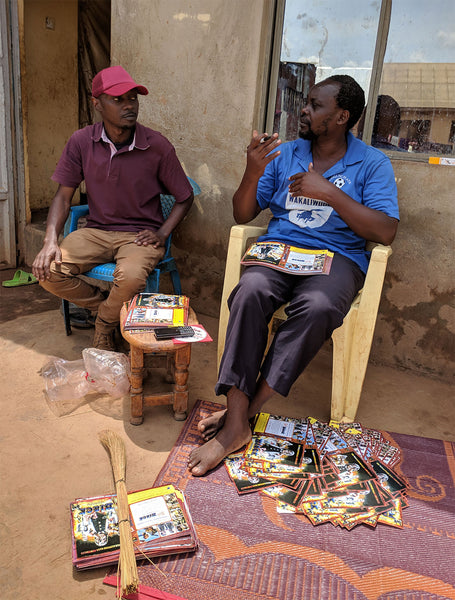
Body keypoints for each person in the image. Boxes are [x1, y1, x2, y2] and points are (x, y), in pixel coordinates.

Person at [188, 75, 399, 477]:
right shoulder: (286, 154)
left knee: (318, 307)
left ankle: (243, 416)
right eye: (307, 102)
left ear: (341, 116)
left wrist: (331, 193)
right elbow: (243, 214)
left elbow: (385, 231)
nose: (304, 109)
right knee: (249, 290)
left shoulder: (372, 163)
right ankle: (236, 421)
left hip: (336, 259)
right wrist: (252, 171)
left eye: (315, 105)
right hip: (280, 250)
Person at [32, 65, 194, 350]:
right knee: (47, 270)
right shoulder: (81, 141)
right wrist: (49, 241)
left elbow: (185, 196)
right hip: (95, 231)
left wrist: (163, 232)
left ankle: (105, 325)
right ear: (97, 104)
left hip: (139, 236)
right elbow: (62, 195)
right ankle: (109, 311)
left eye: (133, 98)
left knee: (130, 278)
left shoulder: (157, 145)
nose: (129, 105)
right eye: (118, 100)